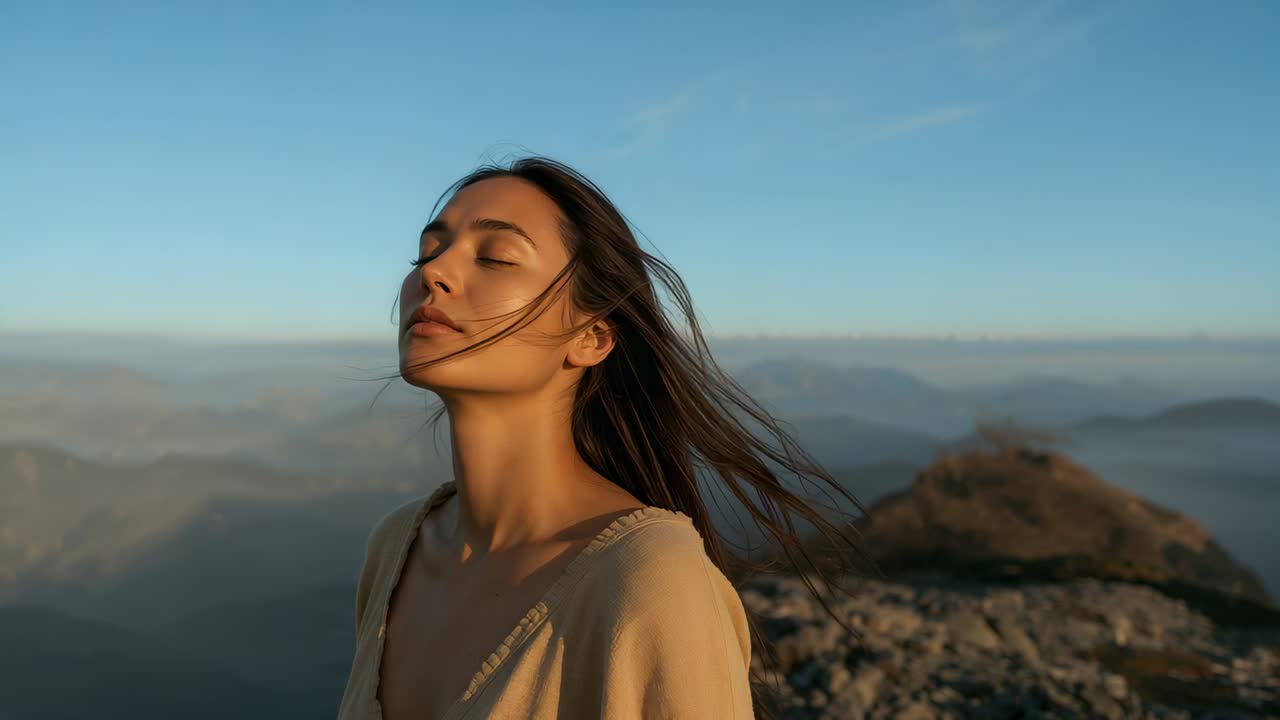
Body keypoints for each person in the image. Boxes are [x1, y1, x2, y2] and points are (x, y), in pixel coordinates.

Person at [336, 156, 869, 720]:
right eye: (427, 251)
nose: (433, 273)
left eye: (495, 257)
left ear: (591, 338)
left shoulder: (651, 578)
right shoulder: (395, 550)